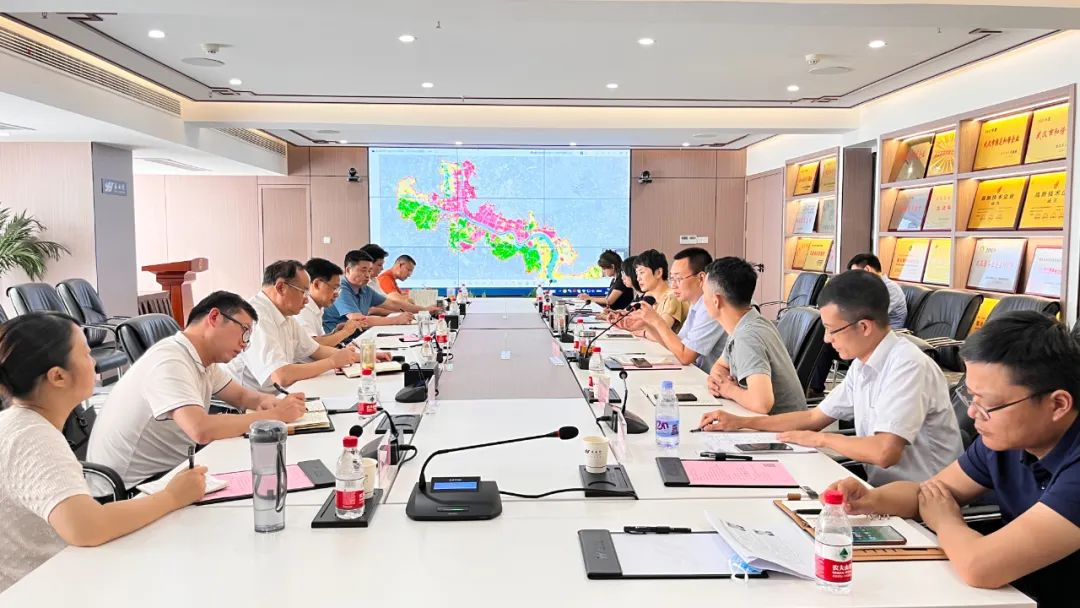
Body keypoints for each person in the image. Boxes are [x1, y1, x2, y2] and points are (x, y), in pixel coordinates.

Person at [828, 311, 1080, 606]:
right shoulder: (1004, 441)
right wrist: (870, 500)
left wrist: (945, 521)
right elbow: (930, 494)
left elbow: (979, 566)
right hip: (1014, 593)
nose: (972, 413)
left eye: (987, 403)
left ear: (1058, 404)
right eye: (971, 397)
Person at [0, 313, 207, 592]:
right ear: (58, 376)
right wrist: (173, 496)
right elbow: (87, 527)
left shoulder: (19, 422)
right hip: (35, 588)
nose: (94, 362)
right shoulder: (32, 436)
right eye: (86, 354)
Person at [699, 270, 962, 486]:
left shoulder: (908, 366)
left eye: (832, 330)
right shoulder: (863, 364)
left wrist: (821, 439)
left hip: (928, 504)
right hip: (881, 492)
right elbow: (814, 418)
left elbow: (885, 452)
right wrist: (742, 422)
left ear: (864, 327)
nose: (826, 339)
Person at [88, 291, 309, 490]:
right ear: (214, 317)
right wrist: (275, 415)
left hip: (171, 471)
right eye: (244, 332)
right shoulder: (169, 360)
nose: (245, 344)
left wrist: (271, 402)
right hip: (132, 488)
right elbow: (200, 429)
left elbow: (242, 396)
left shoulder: (202, 360)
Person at [228, 260, 362, 393]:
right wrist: (332, 362)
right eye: (303, 292)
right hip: (254, 400)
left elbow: (315, 350)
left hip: (278, 393)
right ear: (281, 287)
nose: (307, 299)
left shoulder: (284, 315)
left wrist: (360, 356)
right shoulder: (256, 316)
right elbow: (281, 375)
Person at [701, 257, 806, 414]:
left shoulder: (747, 336)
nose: (703, 300)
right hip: (767, 421)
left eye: (704, 294)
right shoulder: (747, 322)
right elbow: (720, 366)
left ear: (716, 301)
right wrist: (719, 382)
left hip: (781, 428)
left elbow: (762, 404)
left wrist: (728, 389)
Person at [807, 253, 909, 399]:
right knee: (824, 339)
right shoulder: (870, 290)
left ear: (867, 270)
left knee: (828, 342)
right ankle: (813, 387)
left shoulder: (888, 289)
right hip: (865, 334)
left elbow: (864, 315)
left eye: (856, 274)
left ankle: (815, 388)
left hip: (883, 339)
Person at [624, 247, 727, 371]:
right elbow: (678, 344)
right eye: (672, 279)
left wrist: (656, 321)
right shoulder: (696, 304)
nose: (673, 285)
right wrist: (647, 324)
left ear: (701, 278)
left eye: (678, 279)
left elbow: (685, 356)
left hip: (708, 378)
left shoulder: (710, 306)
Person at [298, 258, 366, 347]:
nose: (337, 294)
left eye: (338, 289)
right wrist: (345, 332)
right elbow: (311, 346)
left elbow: (318, 339)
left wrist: (336, 333)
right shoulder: (303, 309)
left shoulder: (317, 307)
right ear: (317, 284)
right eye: (334, 288)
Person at [634, 249, 688, 331]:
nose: (638, 278)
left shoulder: (672, 297)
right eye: (637, 274)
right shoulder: (650, 297)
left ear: (658, 273)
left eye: (641, 272)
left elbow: (660, 331)